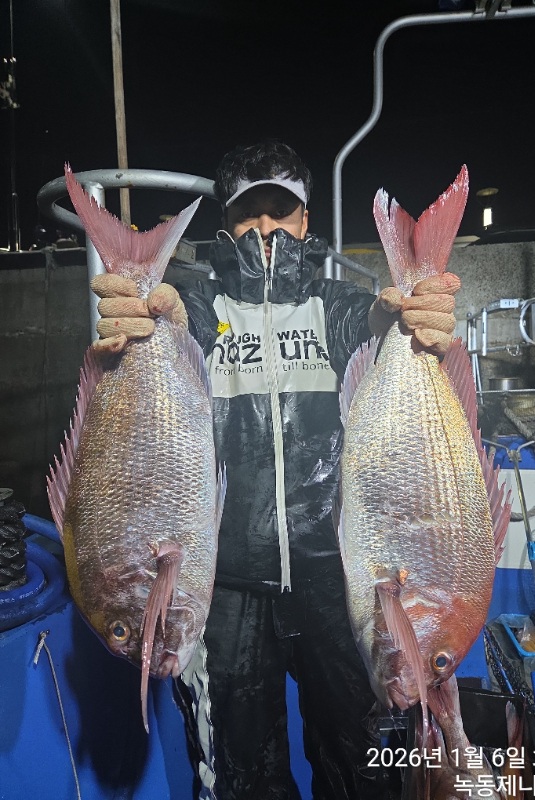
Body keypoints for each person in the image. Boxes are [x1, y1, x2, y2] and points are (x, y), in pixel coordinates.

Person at [91, 140, 460, 800]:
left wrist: (410, 317)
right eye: (249, 212)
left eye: (281, 211)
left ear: (305, 220)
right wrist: (147, 320)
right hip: (225, 589)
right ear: (226, 223)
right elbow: (175, 322)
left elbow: (374, 324)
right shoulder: (201, 307)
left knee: (363, 770)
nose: (265, 227)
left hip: (340, 585)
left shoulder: (338, 306)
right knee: (242, 777)